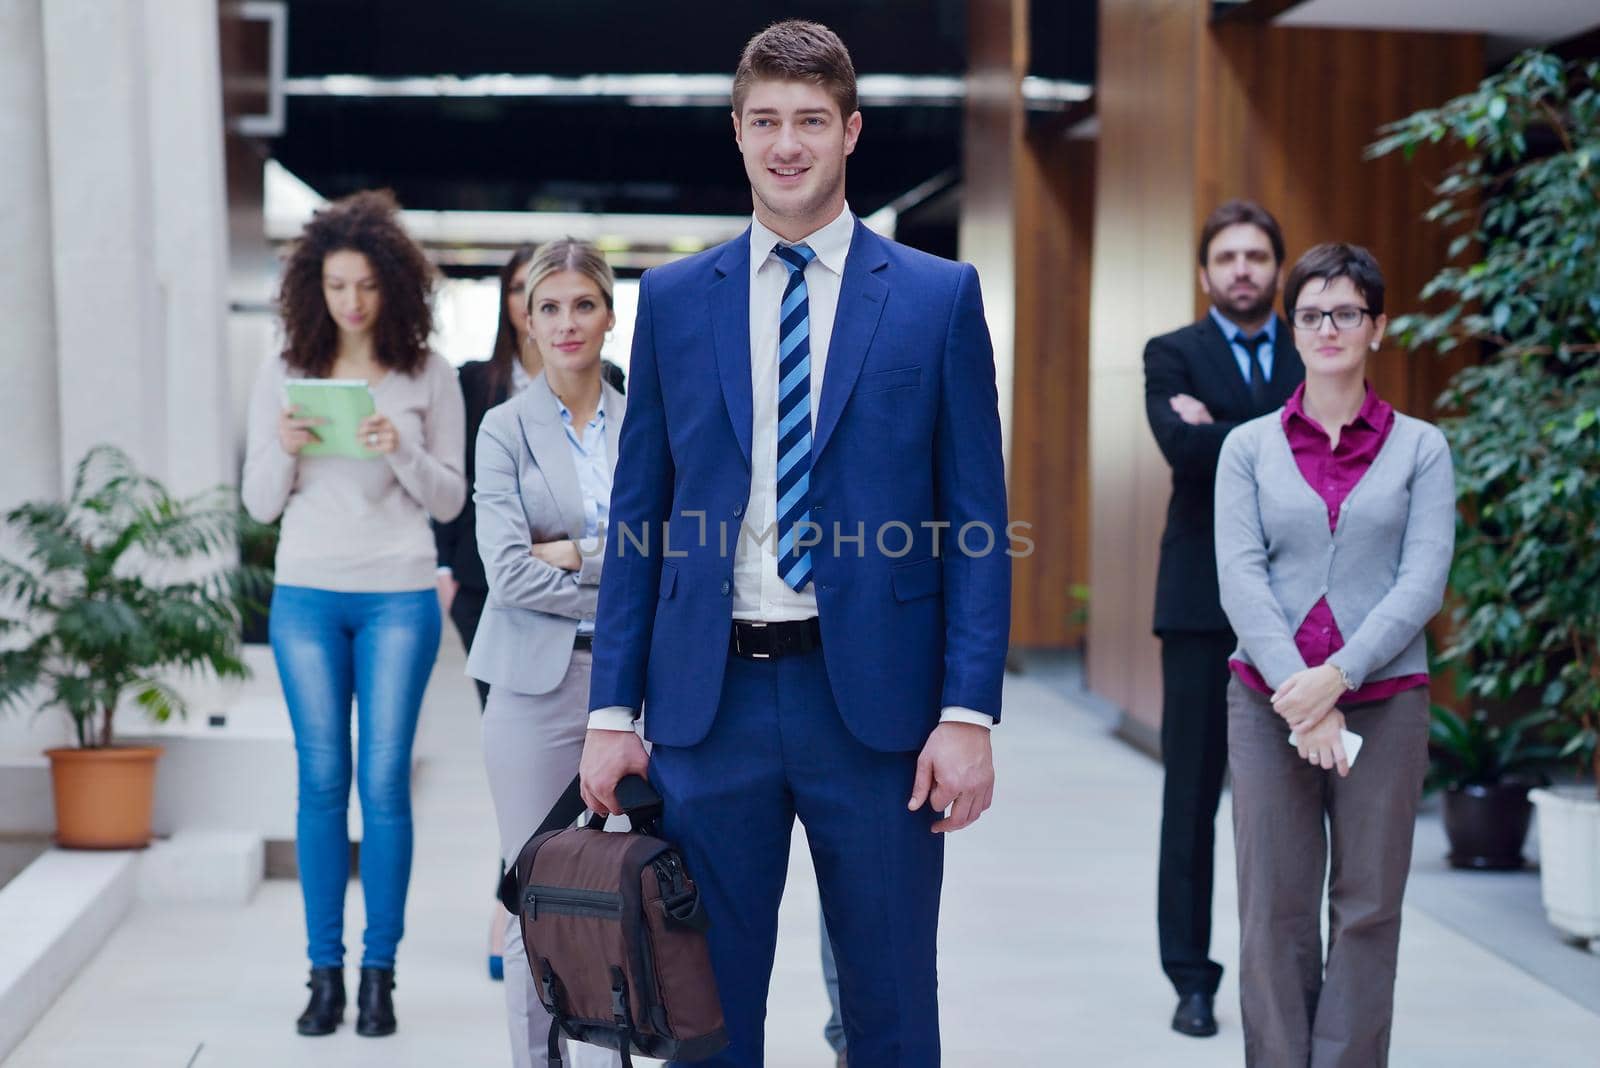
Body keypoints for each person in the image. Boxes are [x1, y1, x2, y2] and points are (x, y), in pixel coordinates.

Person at [579, 20, 1010, 1067]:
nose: (787, 144)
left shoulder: (934, 296)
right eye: (765, 121)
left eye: (809, 122)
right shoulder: (677, 300)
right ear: (735, 133)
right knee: (706, 1018)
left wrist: (966, 713)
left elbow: (976, 523)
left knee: (891, 1004)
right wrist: (608, 711)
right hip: (706, 709)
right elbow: (640, 520)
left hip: (877, 719)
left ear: (850, 131)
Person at [1215, 243, 1455, 1067]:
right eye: (1311, 314)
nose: (1328, 328)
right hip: (1265, 703)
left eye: (1347, 313)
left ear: (1378, 328)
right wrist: (1300, 693)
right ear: (1291, 328)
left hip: (1386, 705)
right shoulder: (1246, 447)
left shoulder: (1422, 448)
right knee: (1273, 911)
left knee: (1367, 907)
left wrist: (1340, 678)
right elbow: (1241, 580)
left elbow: (1422, 581)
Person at [241, 189, 466, 1038]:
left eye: (367, 285)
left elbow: (451, 502)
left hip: (399, 592)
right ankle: (322, 974)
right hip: (306, 590)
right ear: (314, 287)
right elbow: (259, 504)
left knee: (382, 783)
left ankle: (380, 975)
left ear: (393, 286)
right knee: (321, 781)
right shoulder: (283, 368)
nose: (352, 302)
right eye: (337, 285)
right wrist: (285, 448)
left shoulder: (426, 373)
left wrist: (397, 446)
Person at [433, 245, 628, 981]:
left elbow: (670, 556)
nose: (566, 322)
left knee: (621, 899)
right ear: (528, 319)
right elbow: (509, 574)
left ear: (609, 315)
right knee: (534, 900)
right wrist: (615, 567)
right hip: (530, 685)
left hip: (629, 688)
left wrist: (570, 553)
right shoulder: (503, 429)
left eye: (584, 304)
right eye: (549, 307)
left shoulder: (646, 426)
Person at [1142, 199, 1304, 1037]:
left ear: (1278, 268)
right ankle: (1192, 978)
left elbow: (1325, 445)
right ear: (1205, 273)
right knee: (1193, 795)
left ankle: (1287, 978)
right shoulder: (1171, 352)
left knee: (1295, 800)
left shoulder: (1315, 342)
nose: (1243, 270)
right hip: (1202, 609)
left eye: (1257, 256)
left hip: (1305, 606)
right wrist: (1280, 431)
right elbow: (1184, 450)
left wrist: (1227, 431)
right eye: (1227, 258)